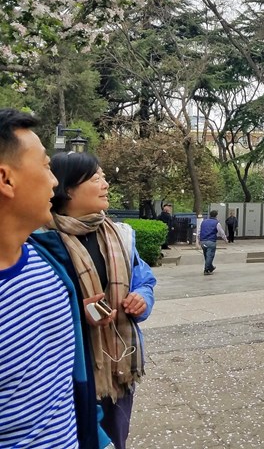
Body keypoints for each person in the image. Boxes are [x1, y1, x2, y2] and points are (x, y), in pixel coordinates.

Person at [31, 151, 156, 449]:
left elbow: (145, 279)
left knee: (115, 439)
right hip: (72, 369)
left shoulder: (121, 235)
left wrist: (142, 298)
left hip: (118, 367)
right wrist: (77, 312)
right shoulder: (40, 240)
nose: (106, 184)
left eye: (104, 177)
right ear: (67, 189)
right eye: (96, 178)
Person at [0, 109, 109, 449]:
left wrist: (98, 437)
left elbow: (66, 383)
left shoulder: (48, 263)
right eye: (46, 166)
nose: (53, 181)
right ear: (6, 179)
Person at [199, 210, 228, 275]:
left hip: (203, 241)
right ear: (216, 215)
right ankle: (206, 270)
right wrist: (225, 240)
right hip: (211, 241)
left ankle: (211, 267)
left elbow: (199, 231)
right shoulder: (216, 223)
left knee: (206, 255)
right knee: (210, 256)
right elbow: (221, 233)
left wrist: (199, 240)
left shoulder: (203, 222)